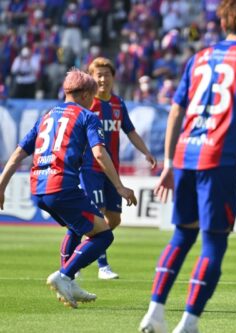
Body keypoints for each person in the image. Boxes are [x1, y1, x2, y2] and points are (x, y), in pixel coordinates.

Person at [139, 1, 236, 332]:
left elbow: (176, 111)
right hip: (218, 159)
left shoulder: (198, 58)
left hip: (185, 156)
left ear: (223, 23)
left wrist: (168, 162)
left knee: (181, 236)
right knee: (214, 241)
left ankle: (154, 312)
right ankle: (189, 322)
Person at [0, 69, 137, 308]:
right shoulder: (87, 116)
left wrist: (1, 186)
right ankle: (64, 276)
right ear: (84, 94)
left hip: (39, 189)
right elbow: (99, 153)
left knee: (77, 228)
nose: (94, 101)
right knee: (104, 234)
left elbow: (17, 155)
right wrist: (120, 186)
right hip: (63, 186)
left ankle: (70, 282)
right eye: (92, 96)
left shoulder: (46, 117)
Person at [71, 57, 156, 280]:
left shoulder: (118, 104)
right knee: (96, 215)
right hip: (91, 167)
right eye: (97, 75)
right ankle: (102, 266)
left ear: (113, 77)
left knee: (114, 219)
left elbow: (130, 131)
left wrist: (146, 152)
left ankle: (80, 255)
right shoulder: (87, 105)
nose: (102, 78)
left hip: (112, 170)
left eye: (106, 74)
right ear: (90, 79)